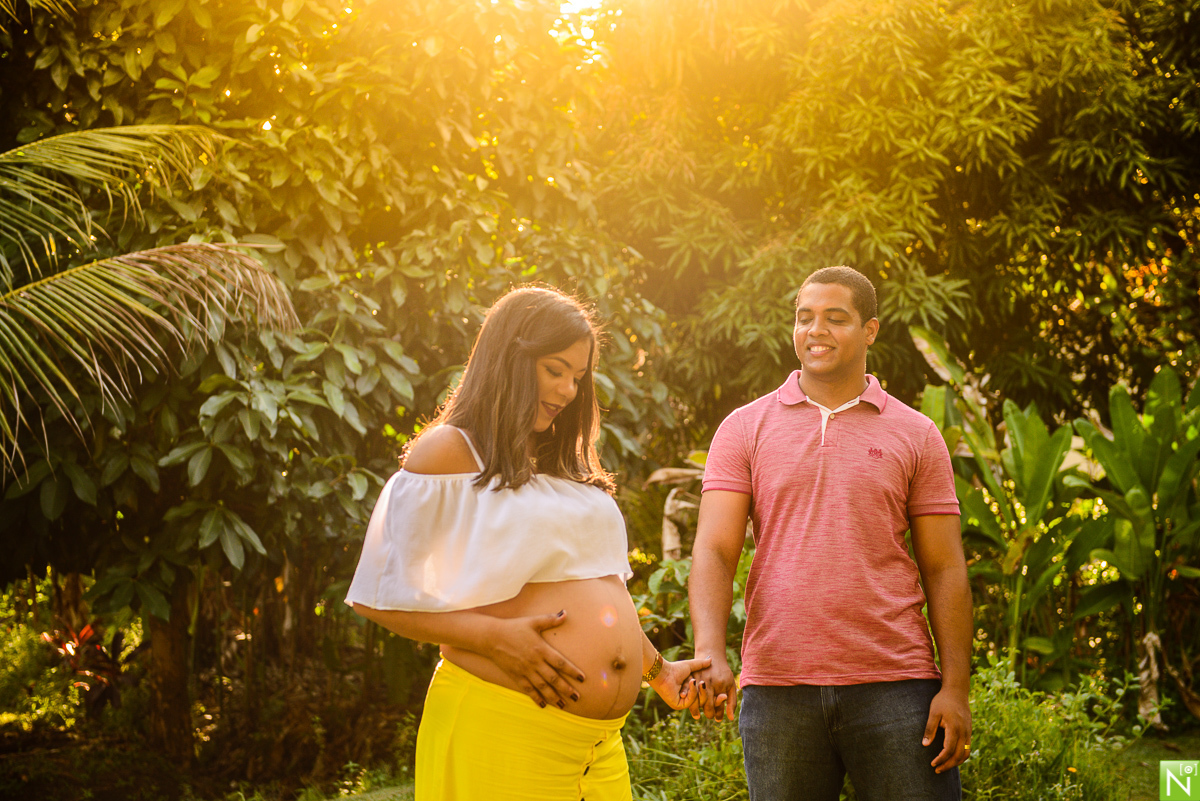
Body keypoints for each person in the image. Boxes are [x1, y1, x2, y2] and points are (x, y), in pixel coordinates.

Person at [346, 285, 708, 801]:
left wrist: (657, 670)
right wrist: (495, 639)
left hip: (599, 747)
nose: (566, 390)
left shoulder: (560, 461)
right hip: (504, 721)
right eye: (554, 369)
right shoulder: (451, 452)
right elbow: (376, 595)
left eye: (578, 377)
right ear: (510, 358)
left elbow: (597, 588)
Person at [687, 266, 973, 800]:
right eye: (804, 318)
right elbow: (714, 549)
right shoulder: (745, 428)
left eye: (834, 318)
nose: (815, 330)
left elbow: (944, 566)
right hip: (777, 688)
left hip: (896, 685)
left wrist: (955, 687)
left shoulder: (916, 432)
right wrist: (711, 651)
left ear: (869, 330)